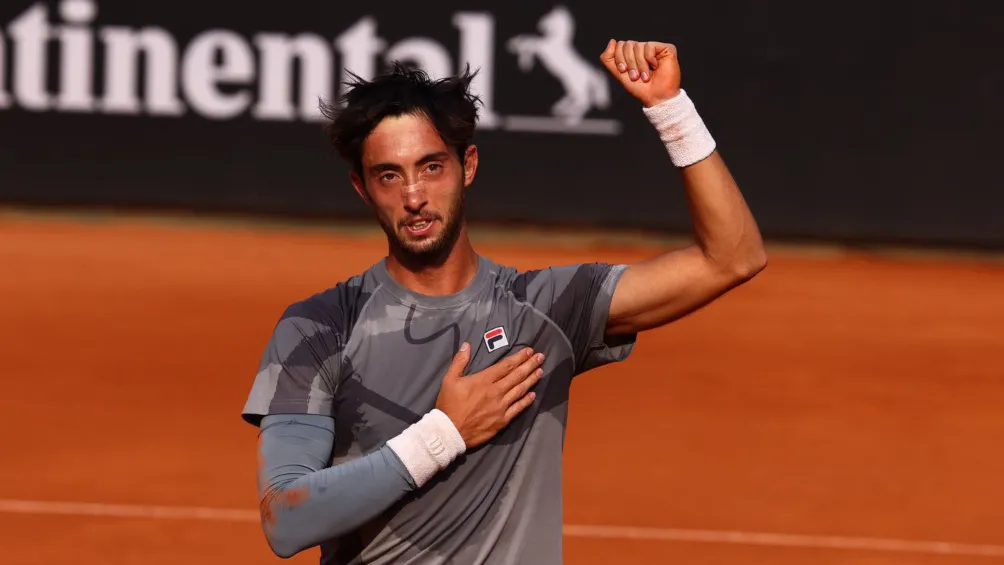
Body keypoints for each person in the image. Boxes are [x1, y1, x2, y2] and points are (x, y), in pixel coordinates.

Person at [241, 38, 766, 564]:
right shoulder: (320, 328)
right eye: (389, 176)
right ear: (362, 188)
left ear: (467, 165)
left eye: (431, 167)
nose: (414, 196)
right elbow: (286, 520)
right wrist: (442, 435)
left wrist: (670, 109)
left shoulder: (550, 308)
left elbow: (733, 257)